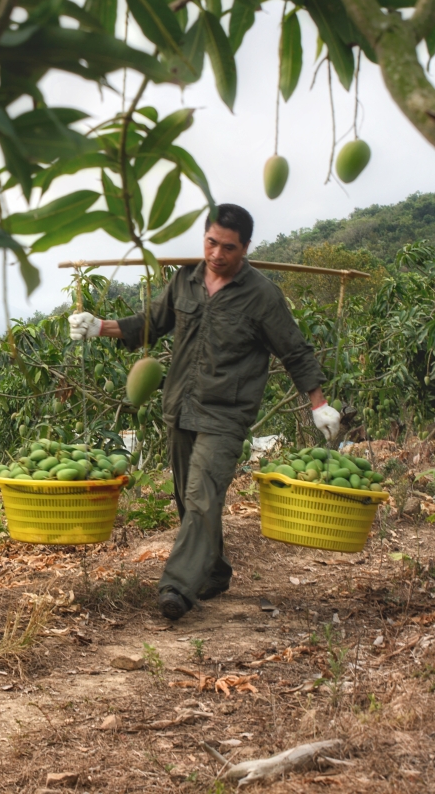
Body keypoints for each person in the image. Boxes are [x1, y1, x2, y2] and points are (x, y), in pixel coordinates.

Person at [68, 204, 341, 621]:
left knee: (201, 496)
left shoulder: (262, 296)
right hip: (180, 406)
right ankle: (213, 572)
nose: (216, 254)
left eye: (228, 247)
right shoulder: (185, 280)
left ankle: (177, 586)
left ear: (245, 248)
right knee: (189, 498)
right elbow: (150, 323)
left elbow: (295, 350)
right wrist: (100, 326)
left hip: (226, 415)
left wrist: (318, 404)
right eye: (211, 243)